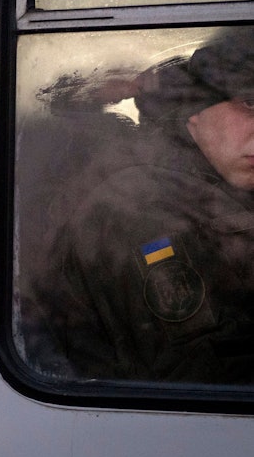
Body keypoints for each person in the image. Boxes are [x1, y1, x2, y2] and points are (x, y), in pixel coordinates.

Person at [23, 26, 254, 384]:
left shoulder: (218, 190)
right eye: (249, 104)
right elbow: (199, 374)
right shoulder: (145, 209)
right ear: (195, 116)